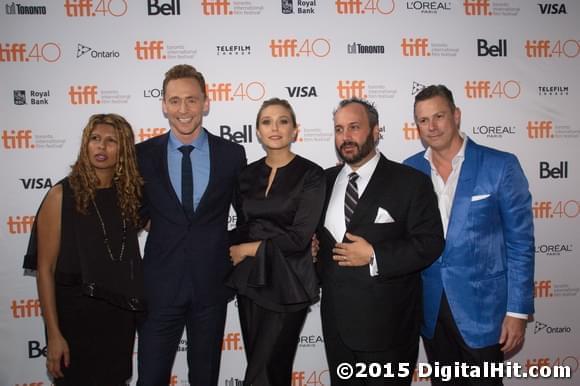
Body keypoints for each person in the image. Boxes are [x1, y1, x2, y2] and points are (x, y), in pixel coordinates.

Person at [404, 84, 534, 385]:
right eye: (423, 120)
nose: (432, 127)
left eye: (439, 116)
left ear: (456, 115)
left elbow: (521, 243)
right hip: (432, 308)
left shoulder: (500, 165)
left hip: (485, 309)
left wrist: (517, 311)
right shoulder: (410, 171)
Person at [316, 98, 445, 385]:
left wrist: (375, 255)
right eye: (339, 129)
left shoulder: (410, 182)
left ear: (375, 132)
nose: (345, 137)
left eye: (354, 127)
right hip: (337, 328)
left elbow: (430, 243)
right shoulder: (322, 182)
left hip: (389, 330)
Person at [136, 64, 246, 386]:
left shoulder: (231, 154)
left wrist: (227, 247)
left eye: (191, 100)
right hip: (158, 288)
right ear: (163, 105)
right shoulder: (142, 155)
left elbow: (247, 214)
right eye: (174, 101)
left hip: (211, 286)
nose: (183, 110)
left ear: (206, 103)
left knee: (205, 378)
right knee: (150, 378)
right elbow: (132, 211)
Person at [29, 113, 145, 386]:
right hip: (74, 319)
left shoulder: (130, 196)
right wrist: (54, 334)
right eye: (95, 139)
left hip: (118, 317)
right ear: (85, 144)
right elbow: (45, 270)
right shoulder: (61, 195)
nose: (101, 147)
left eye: (110, 141)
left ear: (124, 150)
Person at [226, 98, 325, 386]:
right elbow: (245, 226)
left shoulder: (311, 174)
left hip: (290, 280)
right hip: (251, 281)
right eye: (267, 122)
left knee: (264, 369)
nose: (275, 128)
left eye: (283, 121)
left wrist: (250, 248)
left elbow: (299, 237)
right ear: (257, 131)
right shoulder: (245, 175)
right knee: (267, 368)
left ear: (295, 130)